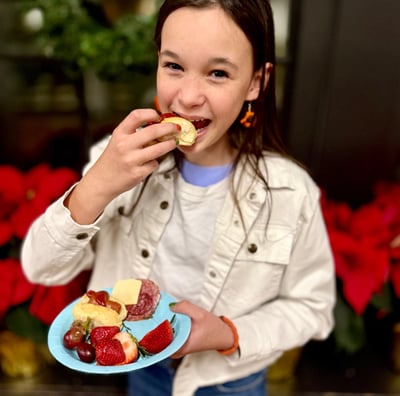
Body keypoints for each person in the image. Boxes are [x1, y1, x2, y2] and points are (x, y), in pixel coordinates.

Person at [22, 0, 336, 395]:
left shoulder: (290, 192)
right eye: (173, 66)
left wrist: (226, 333)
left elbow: (313, 308)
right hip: (141, 371)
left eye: (218, 73)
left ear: (257, 81)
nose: (187, 98)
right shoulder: (115, 163)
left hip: (231, 383)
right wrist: (98, 185)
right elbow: (40, 269)